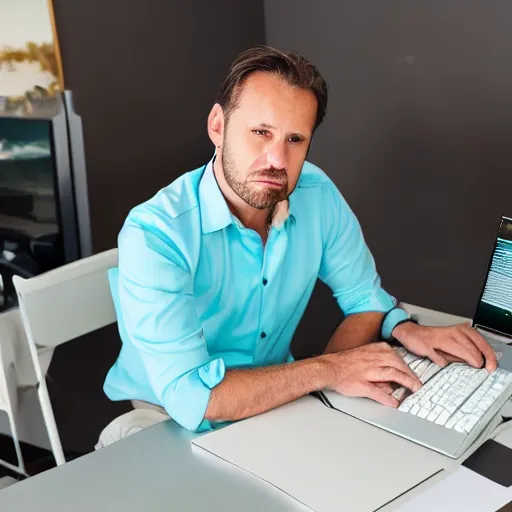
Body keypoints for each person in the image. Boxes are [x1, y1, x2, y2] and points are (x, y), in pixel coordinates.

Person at [97, 45, 497, 445]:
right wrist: (331, 370)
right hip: (164, 421)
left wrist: (402, 328)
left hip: (280, 403)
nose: (277, 159)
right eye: (260, 132)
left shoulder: (316, 193)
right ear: (218, 126)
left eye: (295, 139)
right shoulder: (155, 235)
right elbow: (196, 399)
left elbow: (367, 300)